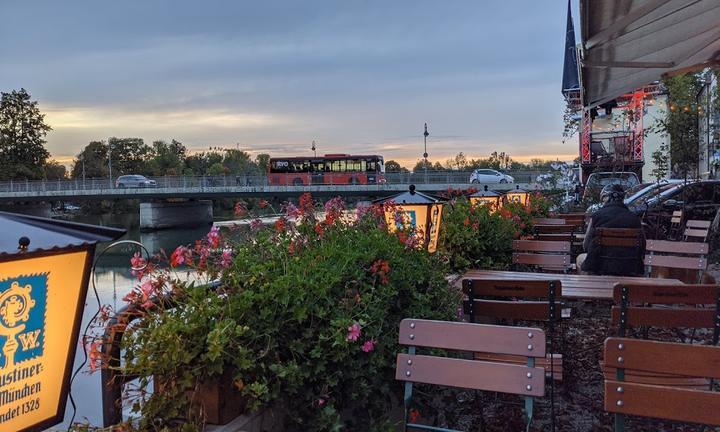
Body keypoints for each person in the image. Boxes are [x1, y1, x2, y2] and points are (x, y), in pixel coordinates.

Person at [577, 183, 645, 276]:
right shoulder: (634, 218)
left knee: (580, 259)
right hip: (629, 266)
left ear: (606, 197)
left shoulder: (597, 216)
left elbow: (586, 245)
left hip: (599, 265)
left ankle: (589, 288)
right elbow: (642, 246)